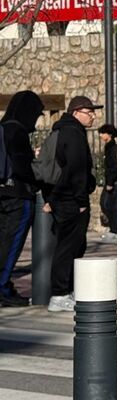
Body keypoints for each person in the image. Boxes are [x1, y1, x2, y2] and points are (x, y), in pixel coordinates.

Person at [42, 95, 101, 313]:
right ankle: (59, 294)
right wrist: (81, 201)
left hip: (61, 198)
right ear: (76, 112)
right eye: (89, 112)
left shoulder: (60, 130)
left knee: (72, 245)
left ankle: (66, 290)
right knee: (68, 247)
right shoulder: (74, 133)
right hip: (71, 201)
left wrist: (50, 199)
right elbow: (76, 170)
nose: (93, 116)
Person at [0, 91, 44, 307]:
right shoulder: (17, 131)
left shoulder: (3, 127)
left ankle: (4, 284)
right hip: (18, 194)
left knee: (3, 240)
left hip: (3, 192)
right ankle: (2, 287)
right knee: (12, 244)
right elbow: (22, 167)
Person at [97, 123, 117, 241]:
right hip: (112, 180)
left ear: (109, 134)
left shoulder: (113, 148)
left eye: (102, 133)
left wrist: (110, 182)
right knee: (106, 203)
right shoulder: (110, 146)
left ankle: (115, 230)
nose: (100, 136)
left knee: (110, 204)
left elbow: (114, 167)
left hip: (115, 180)